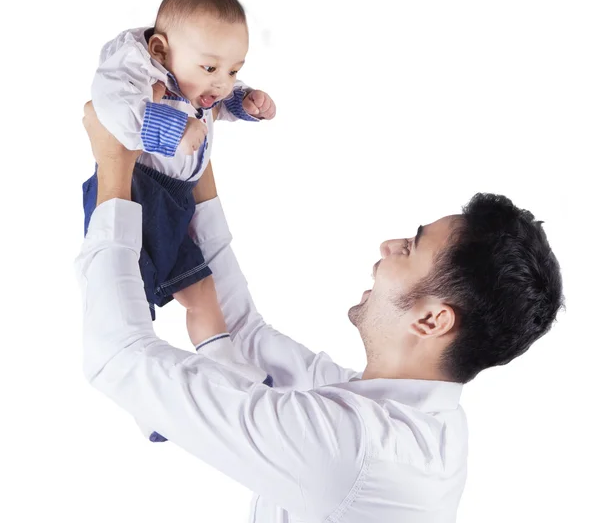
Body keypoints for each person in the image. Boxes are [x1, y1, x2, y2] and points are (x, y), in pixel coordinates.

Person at [75, 100, 563, 522]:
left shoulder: (359, 452)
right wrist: (198, 153)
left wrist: (113, 164)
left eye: (411, 248)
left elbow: (115, 357)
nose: (389, 245)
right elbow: (246, 333)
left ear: (432, 320)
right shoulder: (405, 413)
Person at [83, 0, 276, 331]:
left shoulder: (193, 74)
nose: (222, 83)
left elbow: (216, 100)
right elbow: (111, 105)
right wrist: (174, 128)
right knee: (126, 292)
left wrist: (244, 101)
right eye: (211, 68)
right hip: (138, 192)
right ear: (159, 50)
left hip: (178, 200)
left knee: (202, 289)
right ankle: (131, 355)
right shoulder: (133, 67)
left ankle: (227, 366)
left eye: (234, 70)